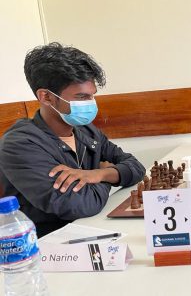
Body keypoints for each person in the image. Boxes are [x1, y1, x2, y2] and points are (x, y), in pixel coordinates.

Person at [0, 43, 146, 237]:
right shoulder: (19, 144)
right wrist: (110, 176)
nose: (90, 104)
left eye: (92, 96)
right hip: (49, 247)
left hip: (93, 231)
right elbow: (79, 205)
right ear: (46, 97)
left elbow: (136, 168)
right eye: (81, 97)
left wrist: (98, 175)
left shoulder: (86, 131)